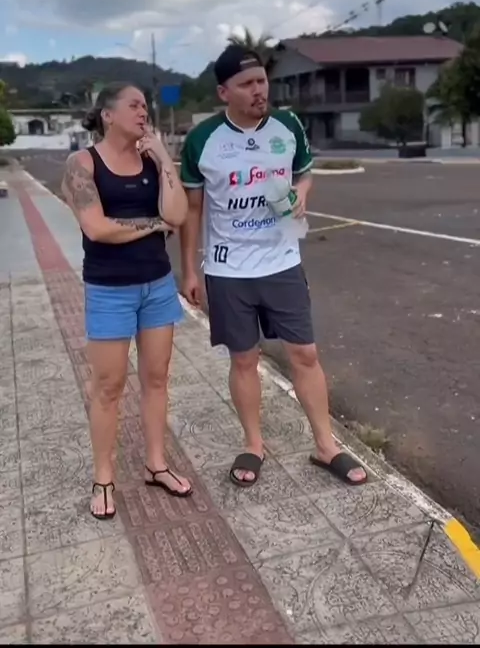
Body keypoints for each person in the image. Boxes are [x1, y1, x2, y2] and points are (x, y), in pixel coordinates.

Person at [180, 44, 367, 488]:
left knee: (305, 354)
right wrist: (188, 270)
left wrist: (302, 191)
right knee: (244, 359)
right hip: (228, 269)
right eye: (246, 84)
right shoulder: (203, 139)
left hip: (282, 261)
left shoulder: (288, 126)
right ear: (224, 92)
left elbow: (304, 173)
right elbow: (193, 209)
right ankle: (254, 444)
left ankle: (326, 446)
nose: (258, 90)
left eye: (261, 81)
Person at [61, 82, 192, 519]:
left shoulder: (151, 161)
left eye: (146, 106)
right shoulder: (83, 164)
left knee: (156, 379)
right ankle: (103, 477)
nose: (143, 112)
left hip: (157, 285)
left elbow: (178, 215)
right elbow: (97, 228)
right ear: (107, 114)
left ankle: (156, 464)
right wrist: (153, 224)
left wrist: (165, 159)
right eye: (134, 105)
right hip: (109, 290)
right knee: (108, 387)